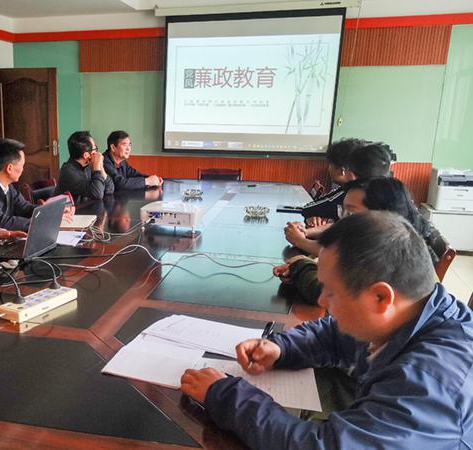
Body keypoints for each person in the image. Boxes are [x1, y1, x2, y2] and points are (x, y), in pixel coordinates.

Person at [181, 211, 473, 449]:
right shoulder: (414, 312)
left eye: (331, 292)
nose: (321, 301)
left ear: (381, 297)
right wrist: (282, 348)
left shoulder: (430, 383)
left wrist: (227, 396)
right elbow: (335, 334)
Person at [276, 177, 442, 305]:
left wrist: (300, 266)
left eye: (352, 214)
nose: (343, 221)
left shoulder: (392, 252)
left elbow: (327, 293)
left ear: (384, 214)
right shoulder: (391, 237)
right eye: (343, 212)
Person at [286, 141, 394, 254]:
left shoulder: (365, 198)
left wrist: (300, 241)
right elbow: (342, 226)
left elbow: (340, 253)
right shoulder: (383, 193)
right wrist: (306, 232)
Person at [0, 138, 74, 232]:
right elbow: (1, 222)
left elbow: (24, 207)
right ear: (9, 168)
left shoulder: (4, 181)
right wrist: (44, 221)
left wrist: (53, 212)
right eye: (22, 165)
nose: (23, 169)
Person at [54, 131, 114, 201]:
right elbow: (97, 194)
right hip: (73, 208)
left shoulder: (87, 166)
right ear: (86, 155)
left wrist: (101, 167)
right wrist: (97, 168)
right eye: (95, 149)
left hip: (87, 206)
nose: (97, 152)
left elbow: (110, 188)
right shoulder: (69, 172)